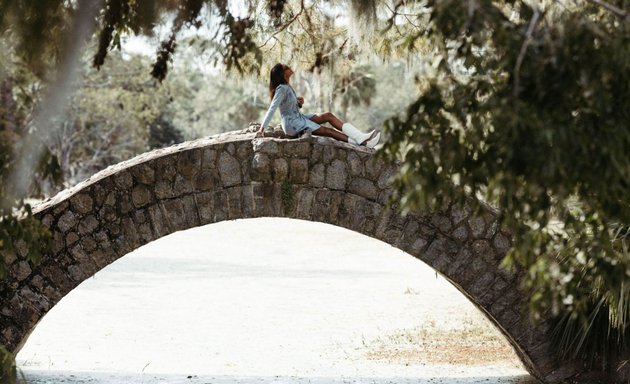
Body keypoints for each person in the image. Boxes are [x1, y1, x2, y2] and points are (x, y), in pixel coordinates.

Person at [256, 63, 380, 148]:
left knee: (328, 116)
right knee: (329, 131)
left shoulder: (286, 87)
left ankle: (360, 138)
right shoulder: (282, 89)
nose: (289, 66)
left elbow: (288, 106)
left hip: (298, 118)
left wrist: (298, 103)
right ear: (283, 73)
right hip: (292, 123)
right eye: (285, 67)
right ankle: (362, 143)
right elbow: (272, 108)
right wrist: (262, 129)